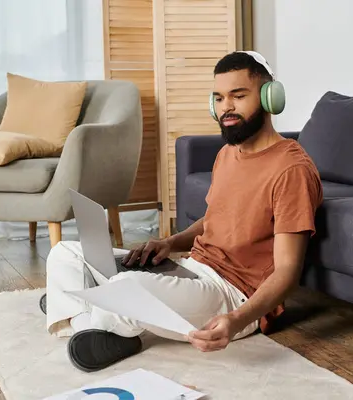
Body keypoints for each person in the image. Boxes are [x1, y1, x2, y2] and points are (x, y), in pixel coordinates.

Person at [42, 51, 323, 373]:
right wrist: (170, 242)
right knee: (64, 252)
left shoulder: (292, 170)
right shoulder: (228, 154)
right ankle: (93, 317)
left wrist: (234, 321)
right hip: (192, 269)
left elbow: (287, 271)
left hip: (233, 296)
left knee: (128, 287)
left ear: (270, 98)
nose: (225, 108)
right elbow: (217, 218)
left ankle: (78, 308)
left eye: (238, 96)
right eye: (218, 98)